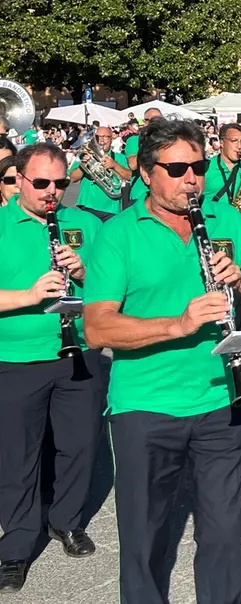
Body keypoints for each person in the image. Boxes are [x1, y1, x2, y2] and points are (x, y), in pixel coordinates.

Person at [82, 118, 241, 604]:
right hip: (146, 406)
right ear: (146, 173)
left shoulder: (223, 219)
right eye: (176, 169)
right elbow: (97, 328)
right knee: (145, 538)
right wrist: (179, 324)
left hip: (222, 400)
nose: (191, 178)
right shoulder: (118, 233)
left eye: (199, 166)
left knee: (224, 534)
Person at [0, 145, 105, 593]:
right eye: (41, 183)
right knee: (17, 457)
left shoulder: (87, 224)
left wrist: (84, 274)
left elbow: (115, 289)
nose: (52, 192)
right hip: (15, 358)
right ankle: (16, 546)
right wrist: (29, 295)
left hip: (79, 351)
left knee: (79, 445)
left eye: (60, 183)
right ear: (19, 179)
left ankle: (66, 521)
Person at [68, 125, 132, 218]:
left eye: (106, 137)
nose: (102, 140)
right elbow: (73, 178)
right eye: (98, 137)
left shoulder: (119, 157)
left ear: (111, 139)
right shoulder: (84, 156)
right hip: (87, 204)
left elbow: (129, 176)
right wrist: (83, 166)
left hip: (110, 207)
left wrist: (115, 165)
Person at [205, 123, 241, 221]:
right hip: (212, 223)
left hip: (238, 223)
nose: (239, 147)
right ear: (222, 142)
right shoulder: (206, 167)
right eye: (234, 141)